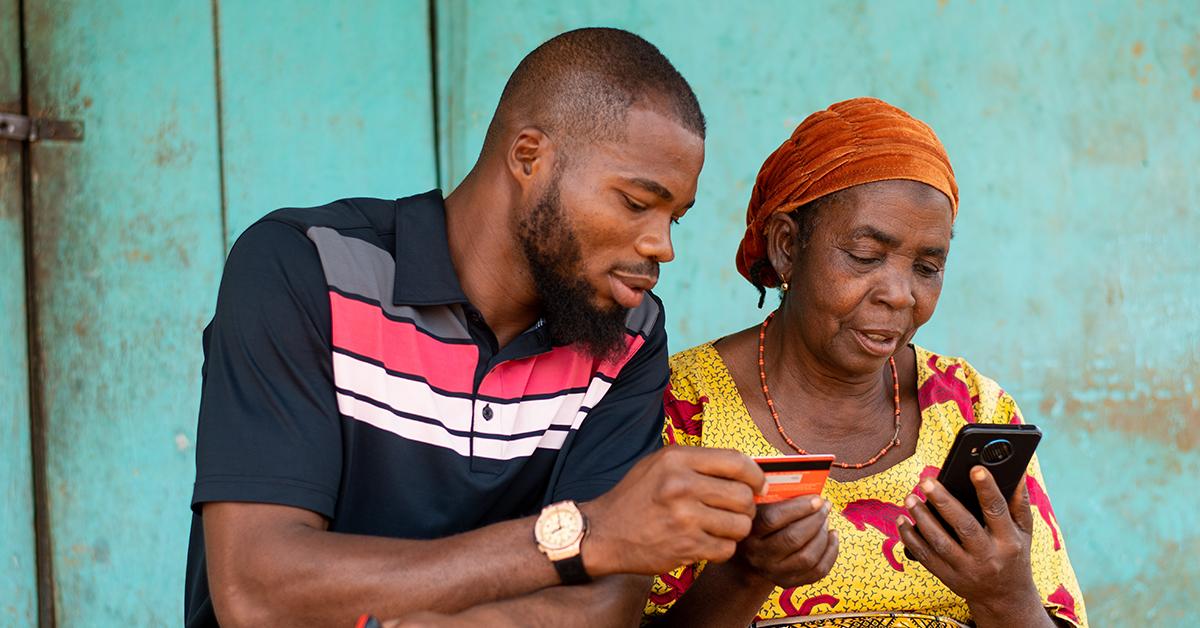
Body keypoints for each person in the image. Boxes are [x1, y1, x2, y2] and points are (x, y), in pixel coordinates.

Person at [185, 28, 769, 627]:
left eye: (675, 217)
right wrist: (581, 535)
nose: (662, 246)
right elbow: (259, 592)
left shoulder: (627, 337)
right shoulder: (306, 269)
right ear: (529, 158)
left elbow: (605, 608)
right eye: (636, 202)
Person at [643, 98, 1088, 627]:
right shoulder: (680, 411)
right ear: (786, 247)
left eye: (927, 267)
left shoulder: (971, 407)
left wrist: (1007, 597)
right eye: (865, 256)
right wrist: (745, 575)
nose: (899, 294)